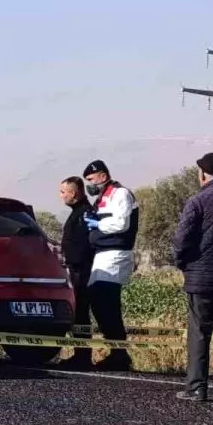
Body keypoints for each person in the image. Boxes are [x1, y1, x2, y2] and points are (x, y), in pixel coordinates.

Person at [171, 152, 213, 402]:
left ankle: (196, 387)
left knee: (199, 334)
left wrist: (183, 264)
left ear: (203, 174)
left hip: (201, 279)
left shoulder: (198, 201)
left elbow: (182, 241)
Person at [82, 159, 139, 370]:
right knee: (98, 302)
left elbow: (121, 223)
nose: (89, 184)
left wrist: (98, 224)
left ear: (103, 176)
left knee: (107, 302)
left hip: (116, 254)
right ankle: (114, 350)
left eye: (91, 179)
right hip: (102, 254)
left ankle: (120, 355)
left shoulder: (120, 194)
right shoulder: (103, 197)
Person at [58, 176, 94, 367]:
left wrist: (72, 264)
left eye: (63, 192)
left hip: (81, 271)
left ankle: (83, 355)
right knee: (78, 313)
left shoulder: (84, 214)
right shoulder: (78, 213)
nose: (61, 196)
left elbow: (84, 245)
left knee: (80, 313)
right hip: (76, 269)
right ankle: (81, 353)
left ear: (74, 193)